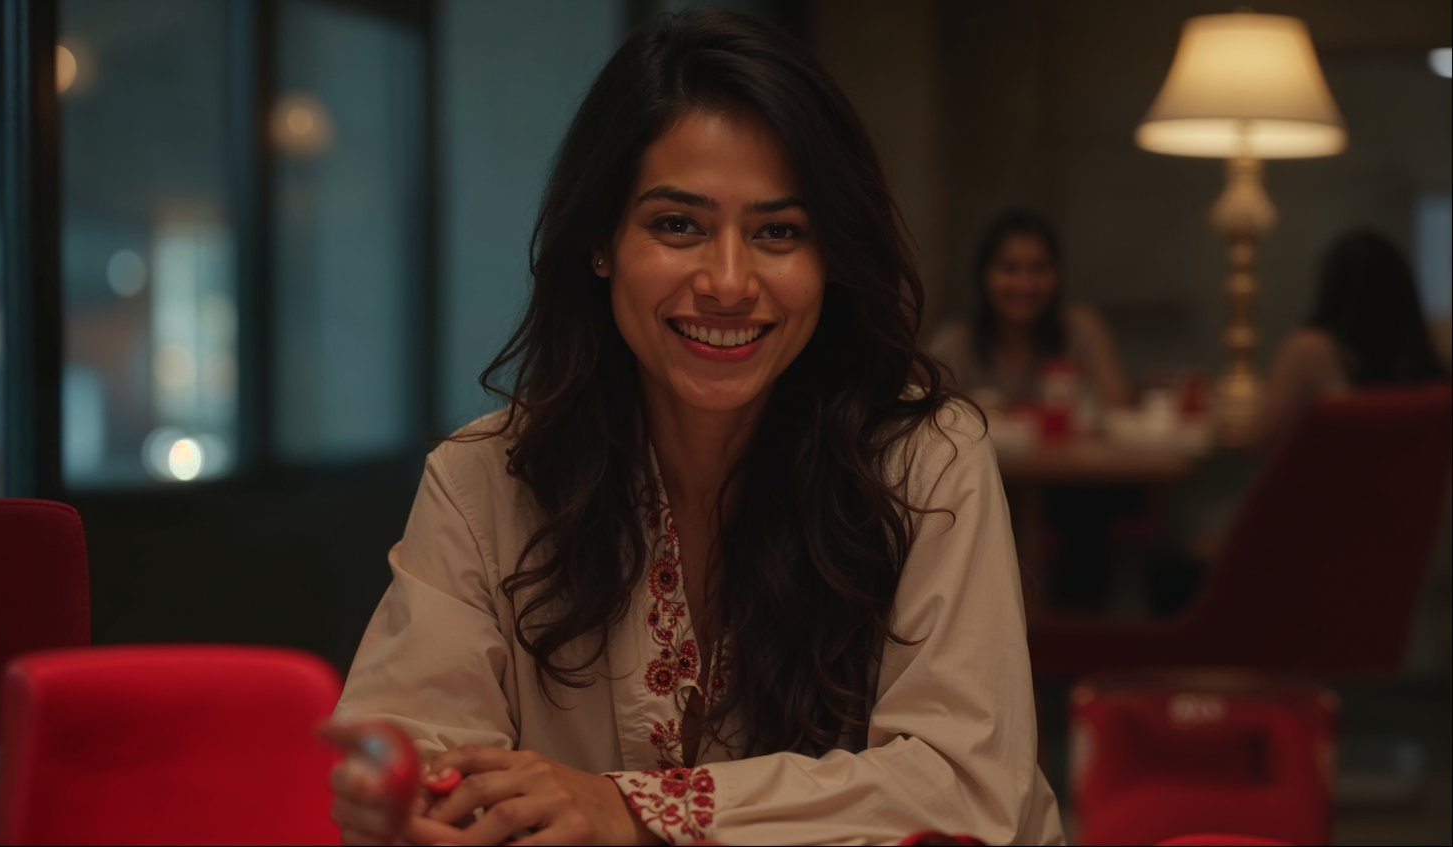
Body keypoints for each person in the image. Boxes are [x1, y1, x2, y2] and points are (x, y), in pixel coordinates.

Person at [330, 10, 1062, 846]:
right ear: (602, 240)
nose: (726, 280)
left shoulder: (927, 459)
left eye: (778, 233)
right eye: (678, 224)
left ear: (831, 259)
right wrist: (409, 799)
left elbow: (967, 785)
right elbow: (408, 748)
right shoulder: (483, 478)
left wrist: (637, 807)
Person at [1247, 229, 1447, 450]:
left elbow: (1257, 440)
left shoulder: (1310, 348)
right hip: (1408, 486)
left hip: (1325, 484)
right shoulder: (1424, 368)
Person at [929, 210, 1132, 410]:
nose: (1025, 285)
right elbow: (926, 418)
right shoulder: (955, 342)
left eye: (1039, 268)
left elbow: (1119, 407)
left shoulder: (1081, 326)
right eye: (1009, 268)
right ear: (983, 275)